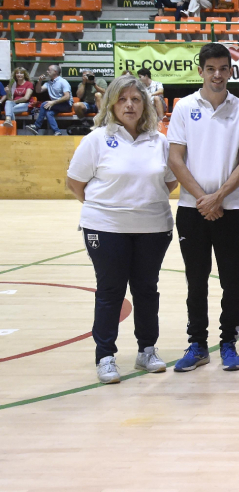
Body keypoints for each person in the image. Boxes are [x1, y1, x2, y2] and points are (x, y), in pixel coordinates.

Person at [66, 74, 177, 384]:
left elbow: (169, 181)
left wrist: (141, 203)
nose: (130, 104)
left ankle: (147, 351)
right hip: (105, 228)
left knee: (146, 290)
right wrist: (108, 209)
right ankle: (105, 356)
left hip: (153, 228)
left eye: (136, 99)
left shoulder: (159, 140)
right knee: (110, 291)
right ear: (111, 103)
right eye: (123, 99)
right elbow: (76, 184)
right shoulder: (97, 139)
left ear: (146, 104)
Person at [167, 43, 239, 372]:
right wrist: (203, 199)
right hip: (192, 211)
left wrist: (218, 197)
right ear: (201, 70)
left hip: (231, 209)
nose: (217, 75)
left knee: (231, 280)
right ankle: (198, 343)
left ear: (230, 71)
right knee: (196, 280)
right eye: (211, 69)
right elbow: (175, 158)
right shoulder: (184, 107)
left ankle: (229, 342)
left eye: (223, 68)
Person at [32, 65, 73, 135]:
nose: (47, 72)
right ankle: (57, 132)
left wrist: (53, 102)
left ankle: (36, 126)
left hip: (66, 105)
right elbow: (38, 91)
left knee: (44, 104)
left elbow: (67, 97)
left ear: (55, 72)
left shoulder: (63, 82)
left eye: (49, 70)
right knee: (49, 113)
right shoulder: (48, 83)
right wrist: (39, 81)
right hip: (56, 105)